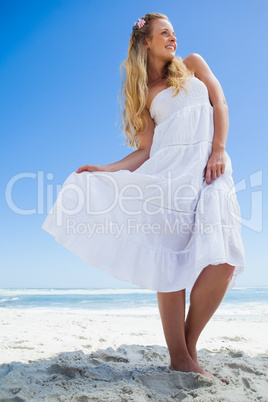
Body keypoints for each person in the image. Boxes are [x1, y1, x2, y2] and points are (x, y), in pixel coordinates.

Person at [42, 13, 245, 377]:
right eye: (164, 33)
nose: (173, 38)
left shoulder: (194, 65)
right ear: (146, 41)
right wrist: (105, 170)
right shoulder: (145, 93)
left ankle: (187, 344)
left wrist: (218, 149)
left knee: (224, 257)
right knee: (169, 264)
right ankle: (181, 359)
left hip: (211, 170)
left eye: (174, 33)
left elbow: (222, 106)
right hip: (168, 178)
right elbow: (145, 152)